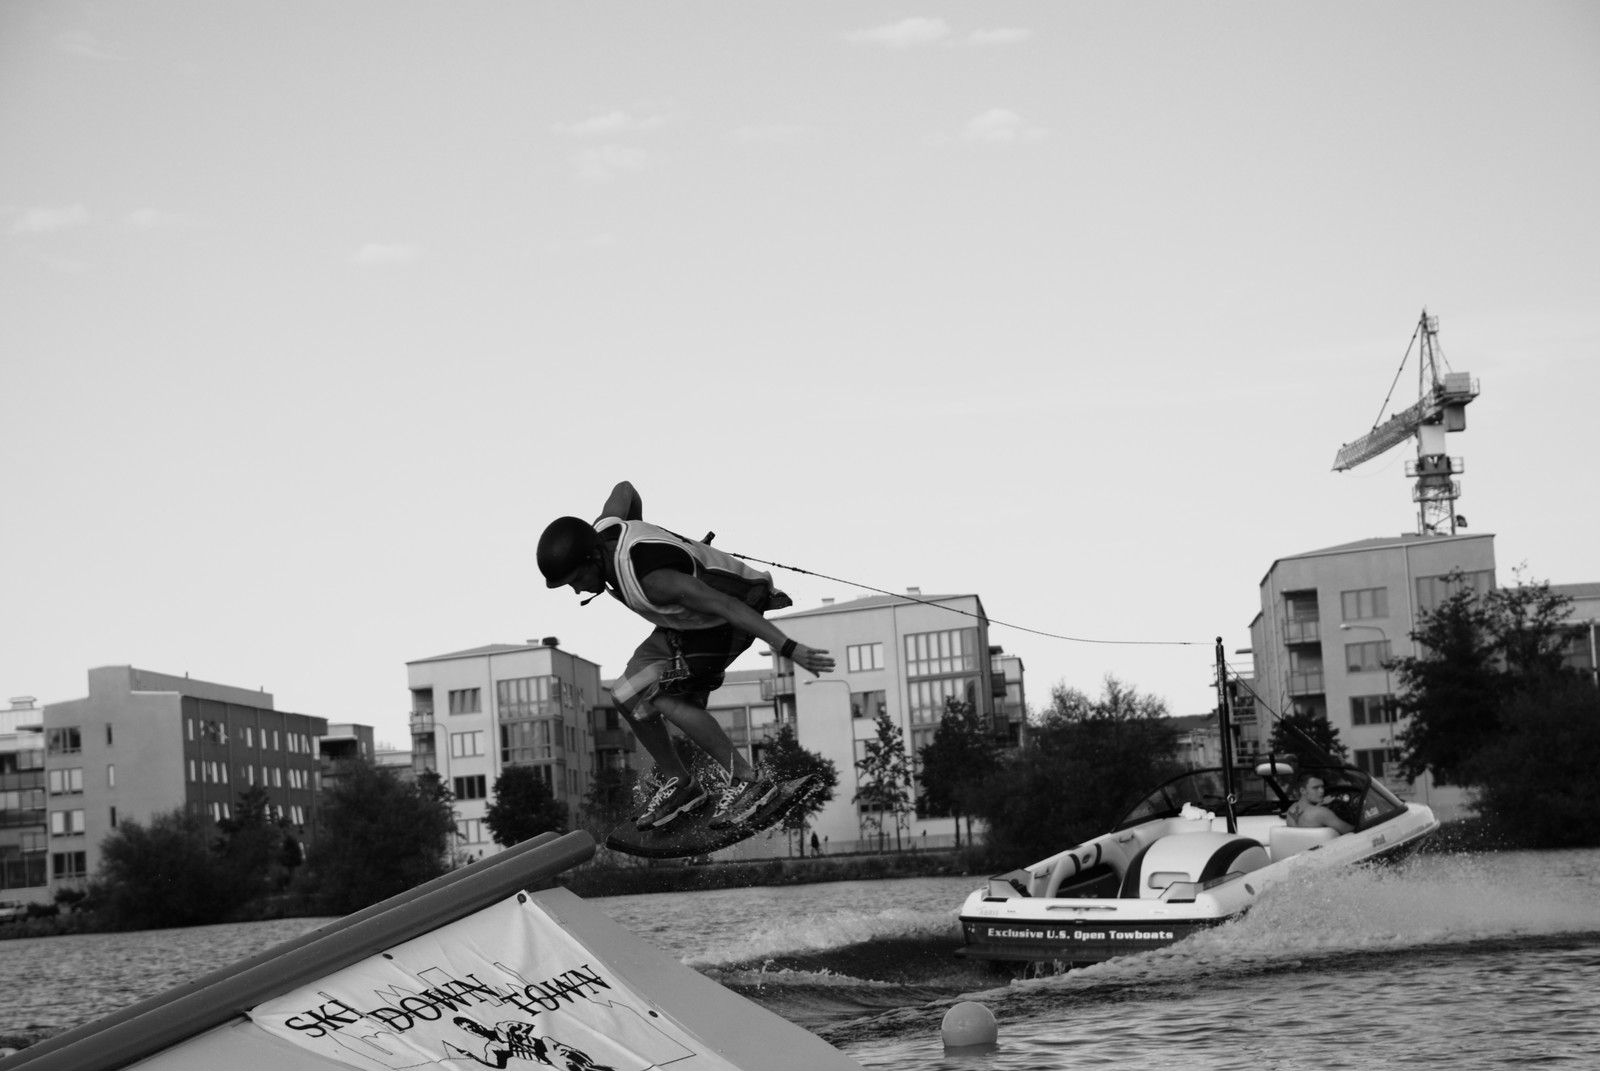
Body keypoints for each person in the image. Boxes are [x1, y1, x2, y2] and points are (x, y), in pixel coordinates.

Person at [538, 481, 835, 832]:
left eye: (575, 579)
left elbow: (728, 606)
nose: (576, 589)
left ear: (593, 558)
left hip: (730, 619)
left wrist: (789, 647)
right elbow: (625, 489)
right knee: (624, 694)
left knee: (664, 696)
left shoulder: (654, 580)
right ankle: (681, 783)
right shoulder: (604, 528)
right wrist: (656, 535)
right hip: (685, 624)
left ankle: (748, 779)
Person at [1285, 772, 1354, 834]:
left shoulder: (1291, 810)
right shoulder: (1322, 813)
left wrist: (1320, 804)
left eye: (1322, 787)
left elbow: (1306, 815)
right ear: (1303, 791)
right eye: (1315, 787)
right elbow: (1350, 830)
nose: (1321, 791)